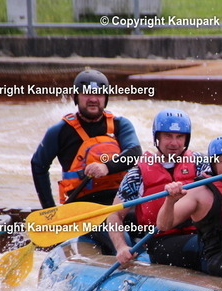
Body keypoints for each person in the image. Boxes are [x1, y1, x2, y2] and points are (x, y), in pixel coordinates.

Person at [108, 108, 207, 270]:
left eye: (179, 137)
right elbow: (114, 214)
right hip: (161, 242)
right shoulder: (137, 174)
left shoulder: (200, 164)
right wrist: (121, 247)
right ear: (157, 138)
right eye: (168, 136)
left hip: (199, 234)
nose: (174, 143)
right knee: (207, 246)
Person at [31, 69, 142, 209]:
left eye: (99, 94)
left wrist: (106, 167)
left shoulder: (121, 124)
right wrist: (49, 209)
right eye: (87, 93)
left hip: (120, 201)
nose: (93, 99)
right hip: (81, 204)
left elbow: (134, 153)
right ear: (76, 97)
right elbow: (38, 166)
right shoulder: (59, 131)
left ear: (106, 98)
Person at [157, 135, 222, 277]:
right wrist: (170, 201)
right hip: (218, 259)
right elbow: (163, 225)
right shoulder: (200, 192)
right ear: (213, 164)